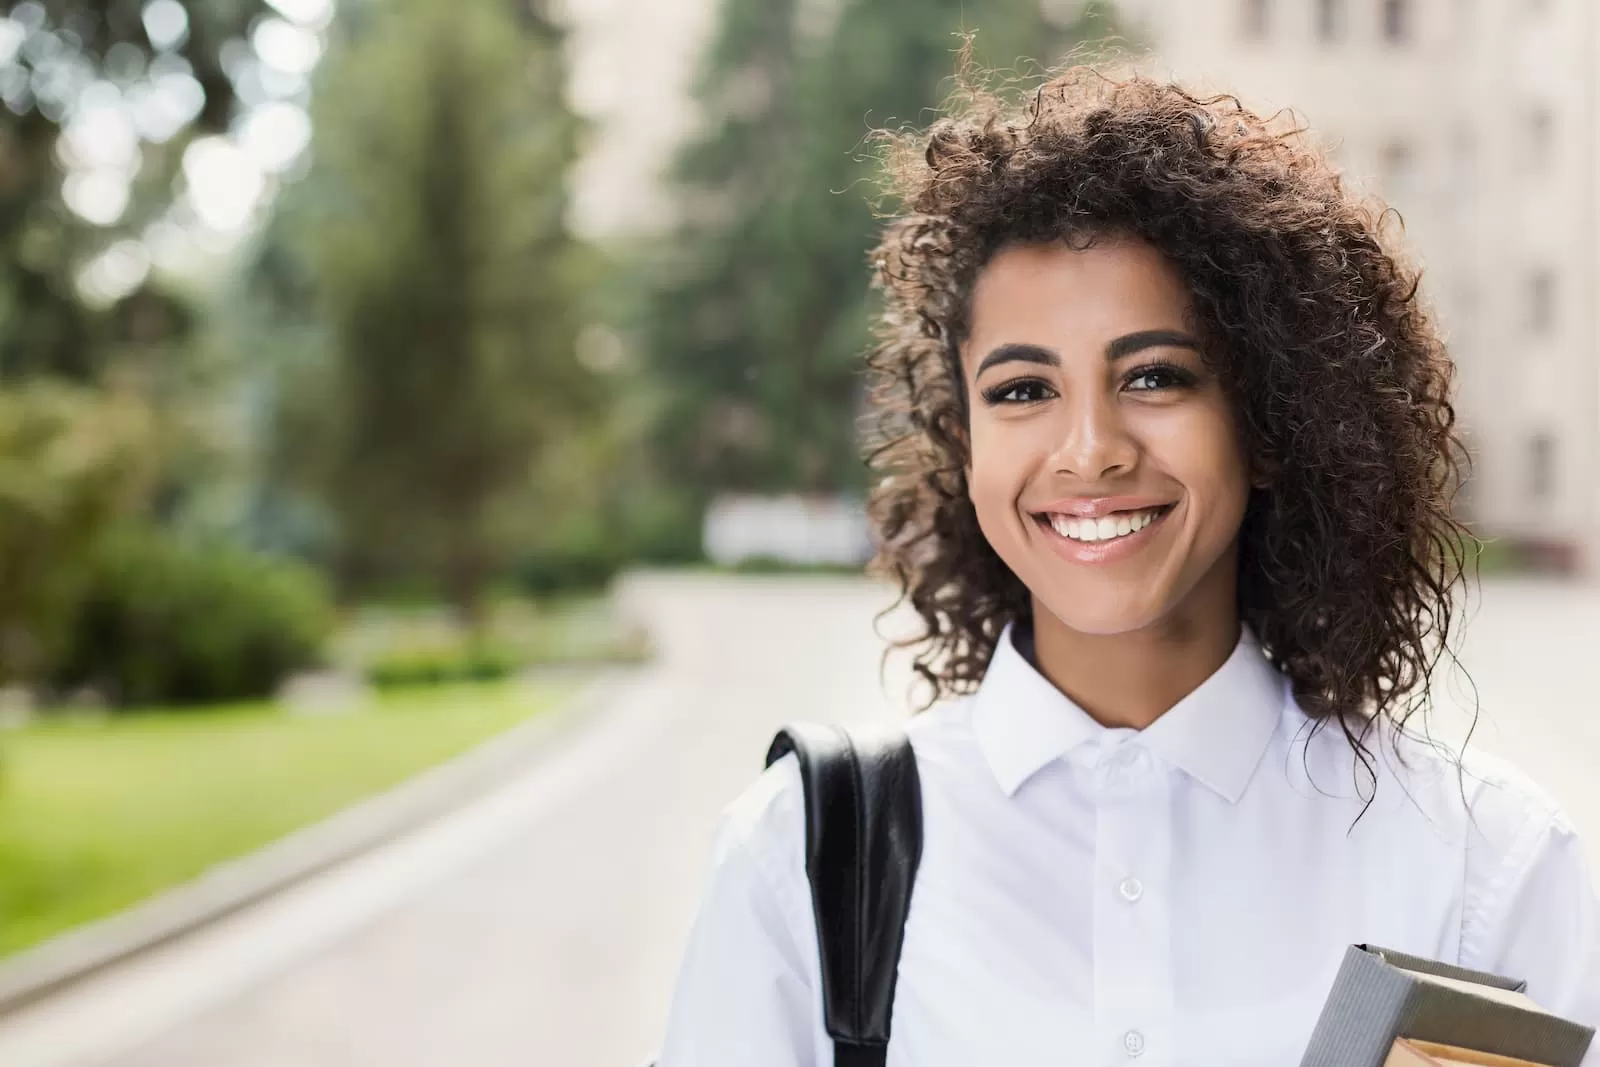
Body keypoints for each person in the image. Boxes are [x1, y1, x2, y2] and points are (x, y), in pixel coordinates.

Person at [653, 59, 1600, 1067]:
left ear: (1269, 421)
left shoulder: (1480, 860)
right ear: (963, 441)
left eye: (1155, 375)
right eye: (1022, 389)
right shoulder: (805, 853)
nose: (1089, 448)